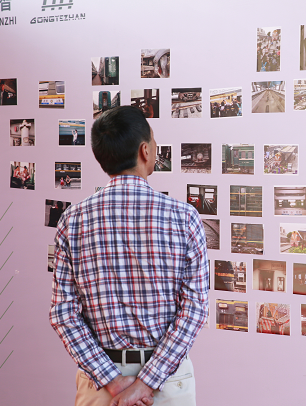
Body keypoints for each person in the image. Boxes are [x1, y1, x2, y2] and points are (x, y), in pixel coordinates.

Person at [50, 106, 209, 406]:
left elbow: (64, 314)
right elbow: (194, 310)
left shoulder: (73, 220)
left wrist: (112, 380)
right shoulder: (184, 217)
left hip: (100, 385)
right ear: (145, 151)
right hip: (167, 383)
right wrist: (146, 383)